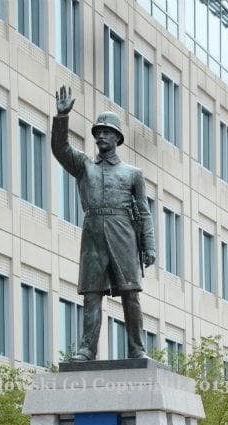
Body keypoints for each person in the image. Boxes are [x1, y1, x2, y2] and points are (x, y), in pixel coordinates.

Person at [51, 85, 156, 361]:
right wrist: (62, 119)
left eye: (107, 132)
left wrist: (149, 246)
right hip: (94, 232)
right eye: (98, 132)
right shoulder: (85, 166)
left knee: (130, 293)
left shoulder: (133, 174)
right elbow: (60, 149)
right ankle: (87, 349)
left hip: (123, 232)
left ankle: (137, 348)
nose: (101, 136)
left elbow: (144, 212)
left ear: (117, 137)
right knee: (91, 294)